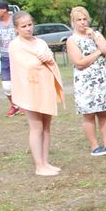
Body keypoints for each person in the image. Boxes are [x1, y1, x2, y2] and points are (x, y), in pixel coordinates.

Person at [8, 11, 66, 176]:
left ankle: (45, 162)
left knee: (46, 127)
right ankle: (39, 166)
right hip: (29, 91)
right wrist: (42, 59)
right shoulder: (15, 45)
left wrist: (47, 57)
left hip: (45, 88)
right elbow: (28, 65)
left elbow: (50, 59)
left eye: (30, 25)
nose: (28, 28)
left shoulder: (40, 42)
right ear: (16, 28)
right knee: (36, 127)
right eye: (23, 26)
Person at [66, 6, 106, 156]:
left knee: (103, 112)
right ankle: (94, 146)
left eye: (85, 19)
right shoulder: (72, 40)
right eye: (79, 20)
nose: (83, 22)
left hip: (101, 79)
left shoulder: (96, 35)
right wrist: (97, 52)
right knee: (89, 114)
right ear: (73, 22)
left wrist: (96, 38)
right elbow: (79, 63)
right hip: (85, 82)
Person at [0, 1, 19, 117]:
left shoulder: (15, 19)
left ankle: (25, 105)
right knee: (7, 86)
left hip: (18, 54)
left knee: (21, 81)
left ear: (4, 10)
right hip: (5, 56)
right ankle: (15, 105)